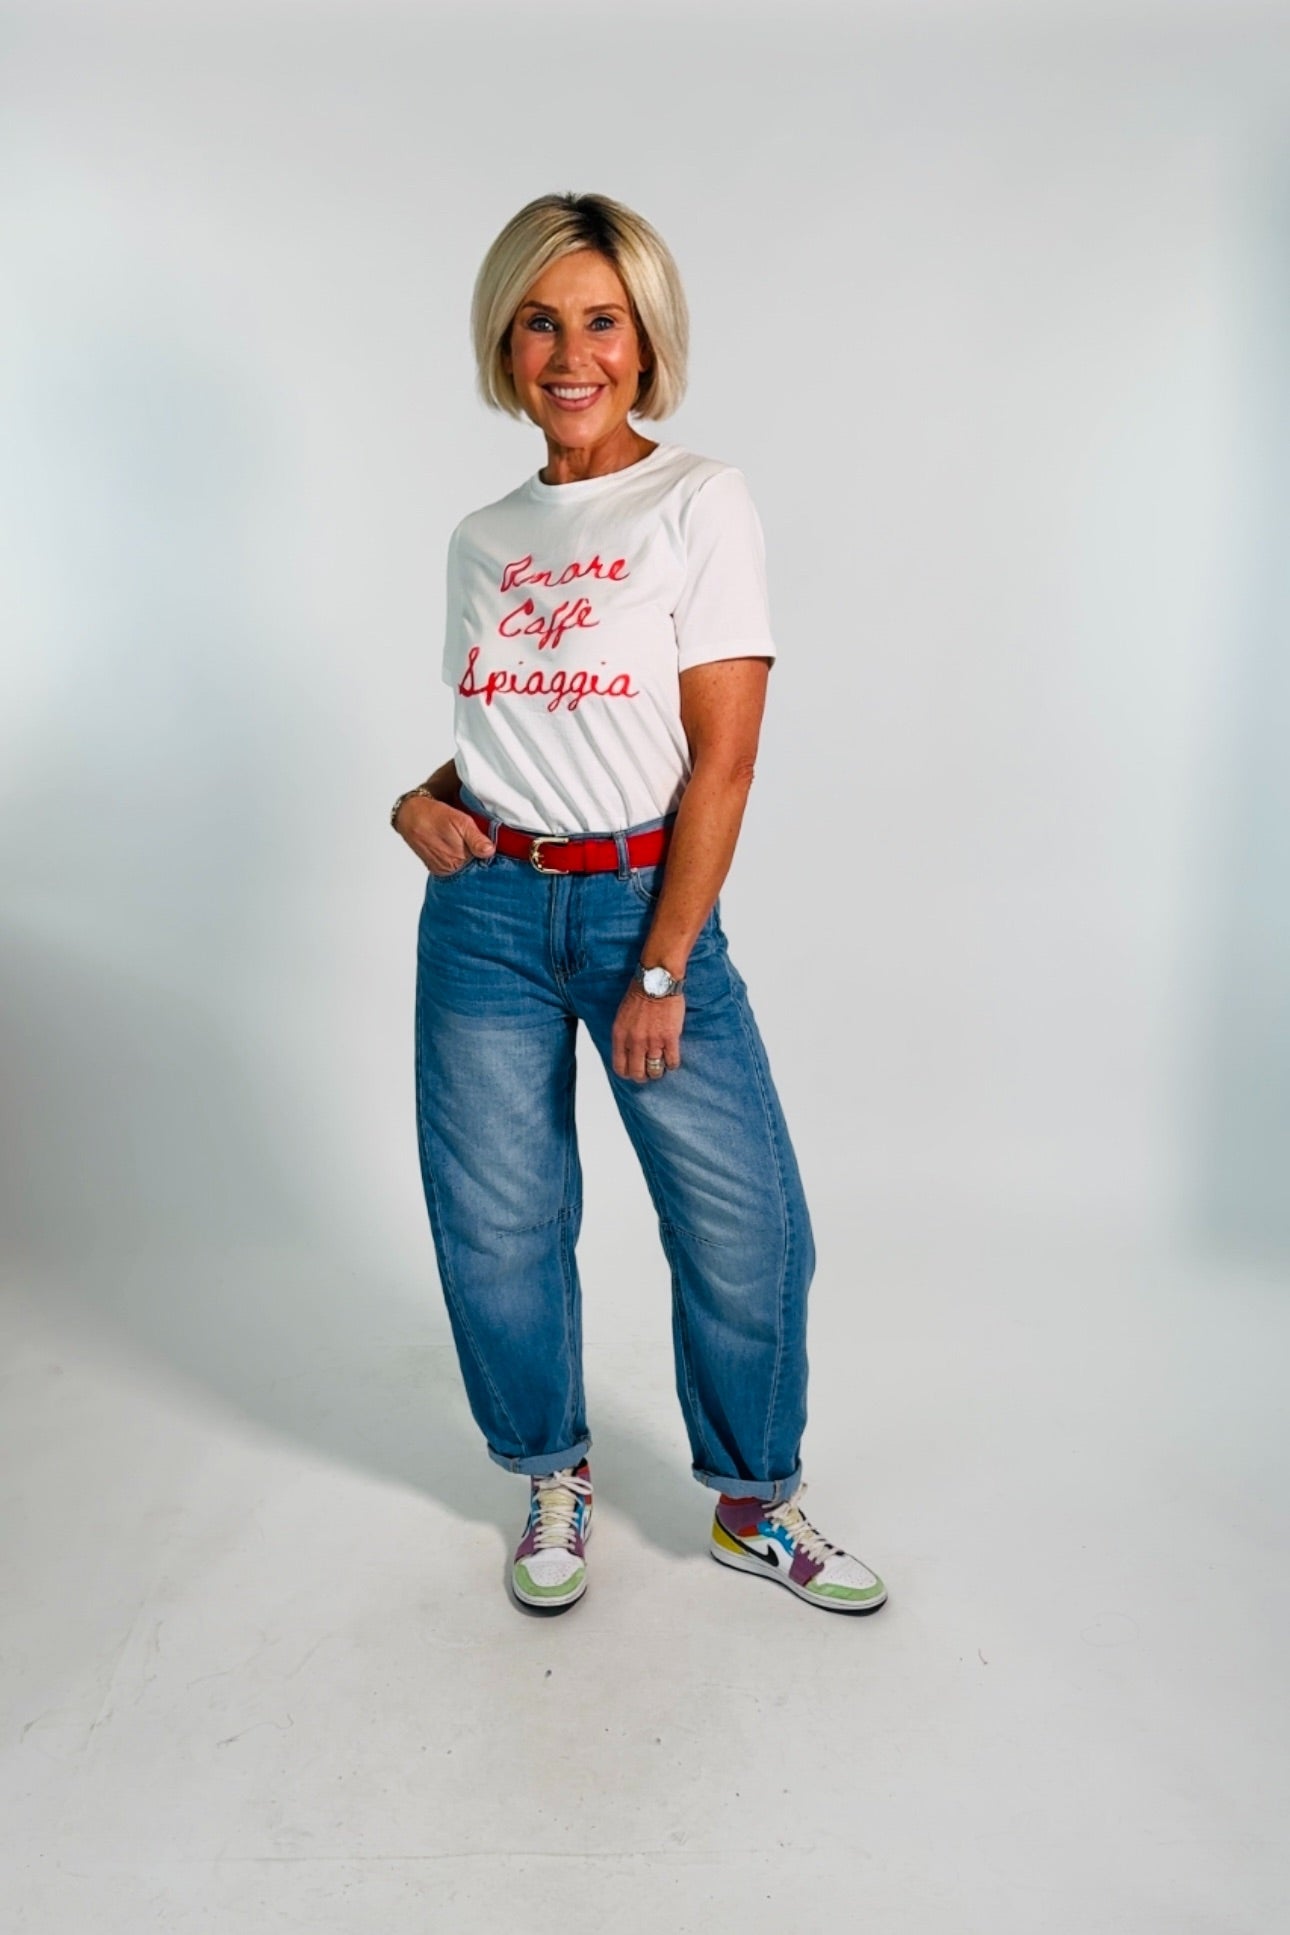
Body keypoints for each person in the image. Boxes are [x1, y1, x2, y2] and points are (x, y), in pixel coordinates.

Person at [391, 190, 887, 1618]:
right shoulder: (483, 537)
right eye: (540, 322)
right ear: (503, 342)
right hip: (484, 917)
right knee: (500, 1224)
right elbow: (512, 728)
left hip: (638, 913)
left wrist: (663, 966)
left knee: (746, 1227)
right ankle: (552, 1476)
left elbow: (721, 757)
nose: (572, 354)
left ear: (645, 339)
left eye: (601, 321)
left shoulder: (697, 501)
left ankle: (753, 1504)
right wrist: (415, 799)